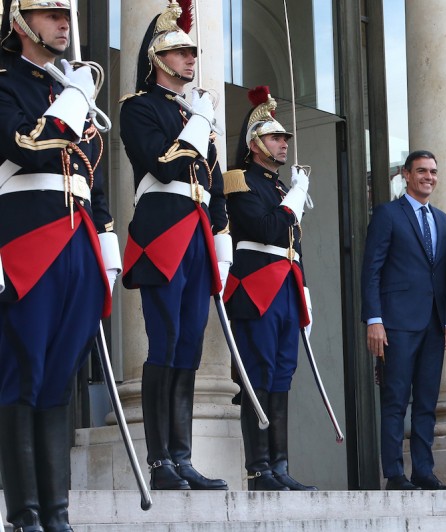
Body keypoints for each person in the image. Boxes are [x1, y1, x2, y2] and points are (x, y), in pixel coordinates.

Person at [0, 0, 120, 529]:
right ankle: (25, 514)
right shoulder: (7, 81)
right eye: (51, 15)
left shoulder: (69, 90)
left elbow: (92, 175)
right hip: (27, 240)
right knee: (19, 375)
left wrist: (107, 247)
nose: (64, 23)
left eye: (66, 15)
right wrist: (72, 100)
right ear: (22, 22)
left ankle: (58, 514)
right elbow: (26, 147)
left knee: (59, 379)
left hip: (77, 242)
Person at [119, 1, 229, 491]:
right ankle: (160, 461)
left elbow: (214, 185)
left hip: (198, 237)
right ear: (159, 59)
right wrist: (199, 123)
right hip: (162, 234)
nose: (191, 60)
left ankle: (182, 457)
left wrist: (223, 245)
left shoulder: (194, 112)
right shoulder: (138, 108)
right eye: (181, 53)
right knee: (164, 343)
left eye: (192, 53)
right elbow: (162, 165)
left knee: (189, 348)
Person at [222, 86, 316, 491]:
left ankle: (279, 465)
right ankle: (258, 468)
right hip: (256, 287)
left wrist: (305, 289)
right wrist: (295, 197)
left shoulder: (279, 189)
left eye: (283, 138)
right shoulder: (238, 179)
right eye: (276, 137)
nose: (283, 144)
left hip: (286, 287)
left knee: (282, 377)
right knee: (257, 376)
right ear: (255, 142)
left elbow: (294, 245)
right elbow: (265, 228)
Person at [361, 150, 446, 490]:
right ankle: (395, 474)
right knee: (395, 399)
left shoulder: (443, 219)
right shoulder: (388, 214)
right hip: (396, 324)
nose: (428, 177)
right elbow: (371, 269)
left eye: (433, 171)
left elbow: (442, 276)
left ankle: (423, 472)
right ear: (406, 174)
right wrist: (374, 319)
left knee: (427, 402)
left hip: (432, 325)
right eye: (421, 171)